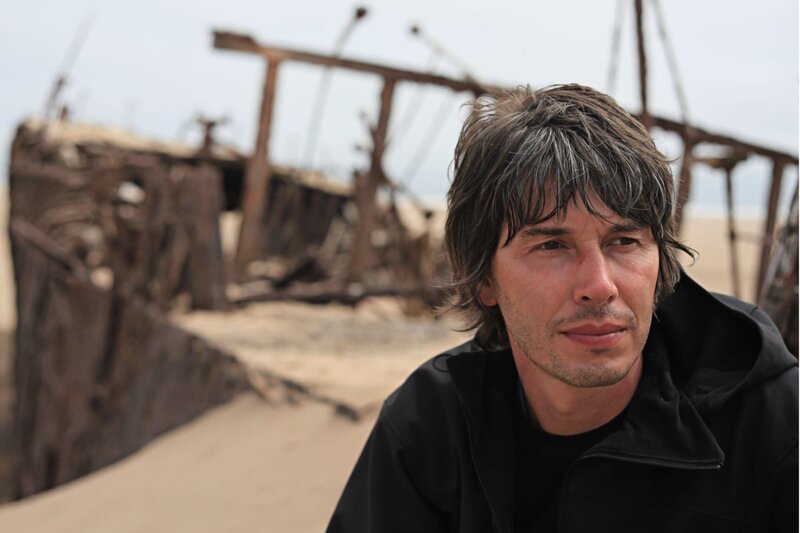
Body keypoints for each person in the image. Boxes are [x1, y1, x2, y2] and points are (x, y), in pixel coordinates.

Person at [327, 84, 798, 532]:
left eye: (624, 241)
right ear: (485, 278)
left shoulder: (774, 423)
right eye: (552, 244)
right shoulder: (432, 425)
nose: (599, 285)